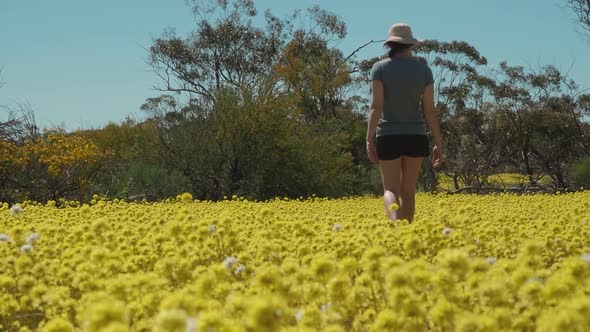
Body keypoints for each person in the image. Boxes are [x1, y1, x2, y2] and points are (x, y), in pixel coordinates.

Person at [366, 22, 443, 223]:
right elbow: (430, 110)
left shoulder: (379, 68)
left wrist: (369, 139)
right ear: (411, 45)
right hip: (415, 136)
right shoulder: (424, 71)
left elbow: (376, 106)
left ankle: (395, 226)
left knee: (390, 189)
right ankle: (407, 234)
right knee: (408, 192)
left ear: (390, 45)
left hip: (388, 136)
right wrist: (438, 143)